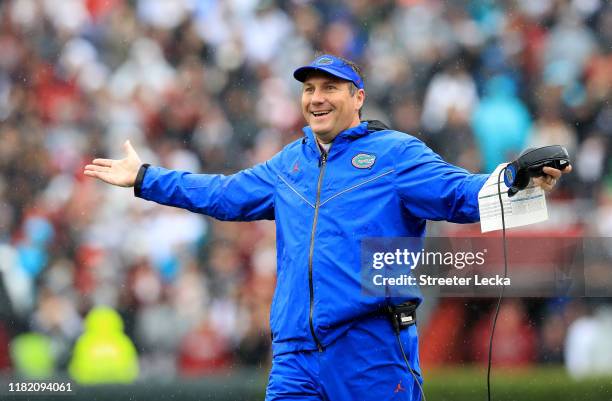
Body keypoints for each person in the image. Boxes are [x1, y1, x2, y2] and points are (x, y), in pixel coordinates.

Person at [84, 54, 571, 400]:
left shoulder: (395, 155)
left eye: (329, 88)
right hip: (295, 353)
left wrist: (521, 182)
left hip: (370, 347)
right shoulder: (288, 165)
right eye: (309, 89)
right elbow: (223, 195)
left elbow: (460, 194)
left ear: (357, 96)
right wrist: (146, 178)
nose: (316, 98)